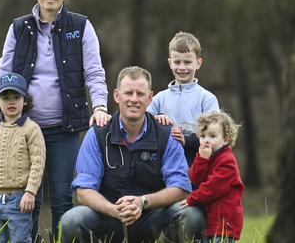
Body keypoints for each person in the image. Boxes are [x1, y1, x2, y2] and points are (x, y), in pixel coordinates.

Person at [0, 0, 110, 240]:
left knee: (63, 197)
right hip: (24, 129)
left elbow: (94, 73)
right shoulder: (18, 28)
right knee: (29, 201)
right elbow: (2, 73)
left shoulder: (81, 26)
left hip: (65, 129)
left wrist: (99, 106)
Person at [60, 66, 205, 243]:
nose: (134, 99)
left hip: (151, 214)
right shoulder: (98, 134)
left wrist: (142, 202)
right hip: (108, 214)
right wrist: (115, 210)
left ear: (150, 97)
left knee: (192, 215)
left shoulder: (167, 134)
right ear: (116, 95)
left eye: (140, 94)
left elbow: (181, 187)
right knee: (71, 220)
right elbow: (83, 191)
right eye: (128, 93)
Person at [0, 72, 46, 243]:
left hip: (18, 199)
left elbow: (38, 163)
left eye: (16, 97)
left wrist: (30, 192)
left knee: (20, 239)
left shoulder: (31, 129)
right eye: (5, 98)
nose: (11, 102)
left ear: (25, 100)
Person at [148, 31, 219, 166]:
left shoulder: (207, 99)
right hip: (164, 167)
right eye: (177, 62)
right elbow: (143, 126)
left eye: (187, 62)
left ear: (198, 63)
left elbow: (214, 136)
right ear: (170, 63)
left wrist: (186, 140)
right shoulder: (158, 99)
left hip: (197, 167)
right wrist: (155, 120)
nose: (182, 67)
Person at [181, 111, 244, 242]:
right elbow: (193, 179)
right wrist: (202, 159)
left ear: (226, 138)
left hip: (223, 225)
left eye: (212, 136)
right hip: (209, 221)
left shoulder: (227, 161)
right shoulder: (206, 157)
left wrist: (190, 199)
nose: (206, 140)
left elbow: (211, 189)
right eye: (202, 136)